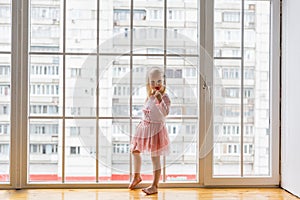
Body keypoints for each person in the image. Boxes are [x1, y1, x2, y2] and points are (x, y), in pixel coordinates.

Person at [128, 67, 171, 195]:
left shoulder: (164, 97)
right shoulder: (149, 96)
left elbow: (165, 112)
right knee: (135, 150)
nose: (156, 85)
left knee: (155, 158)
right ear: (149, 83)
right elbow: (147, 112)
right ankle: (137, 176)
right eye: (152, 82)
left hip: (156, 131)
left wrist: (160, 100)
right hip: (145, 128)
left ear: (163, 81)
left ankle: (155, 185)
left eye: (158, 81)